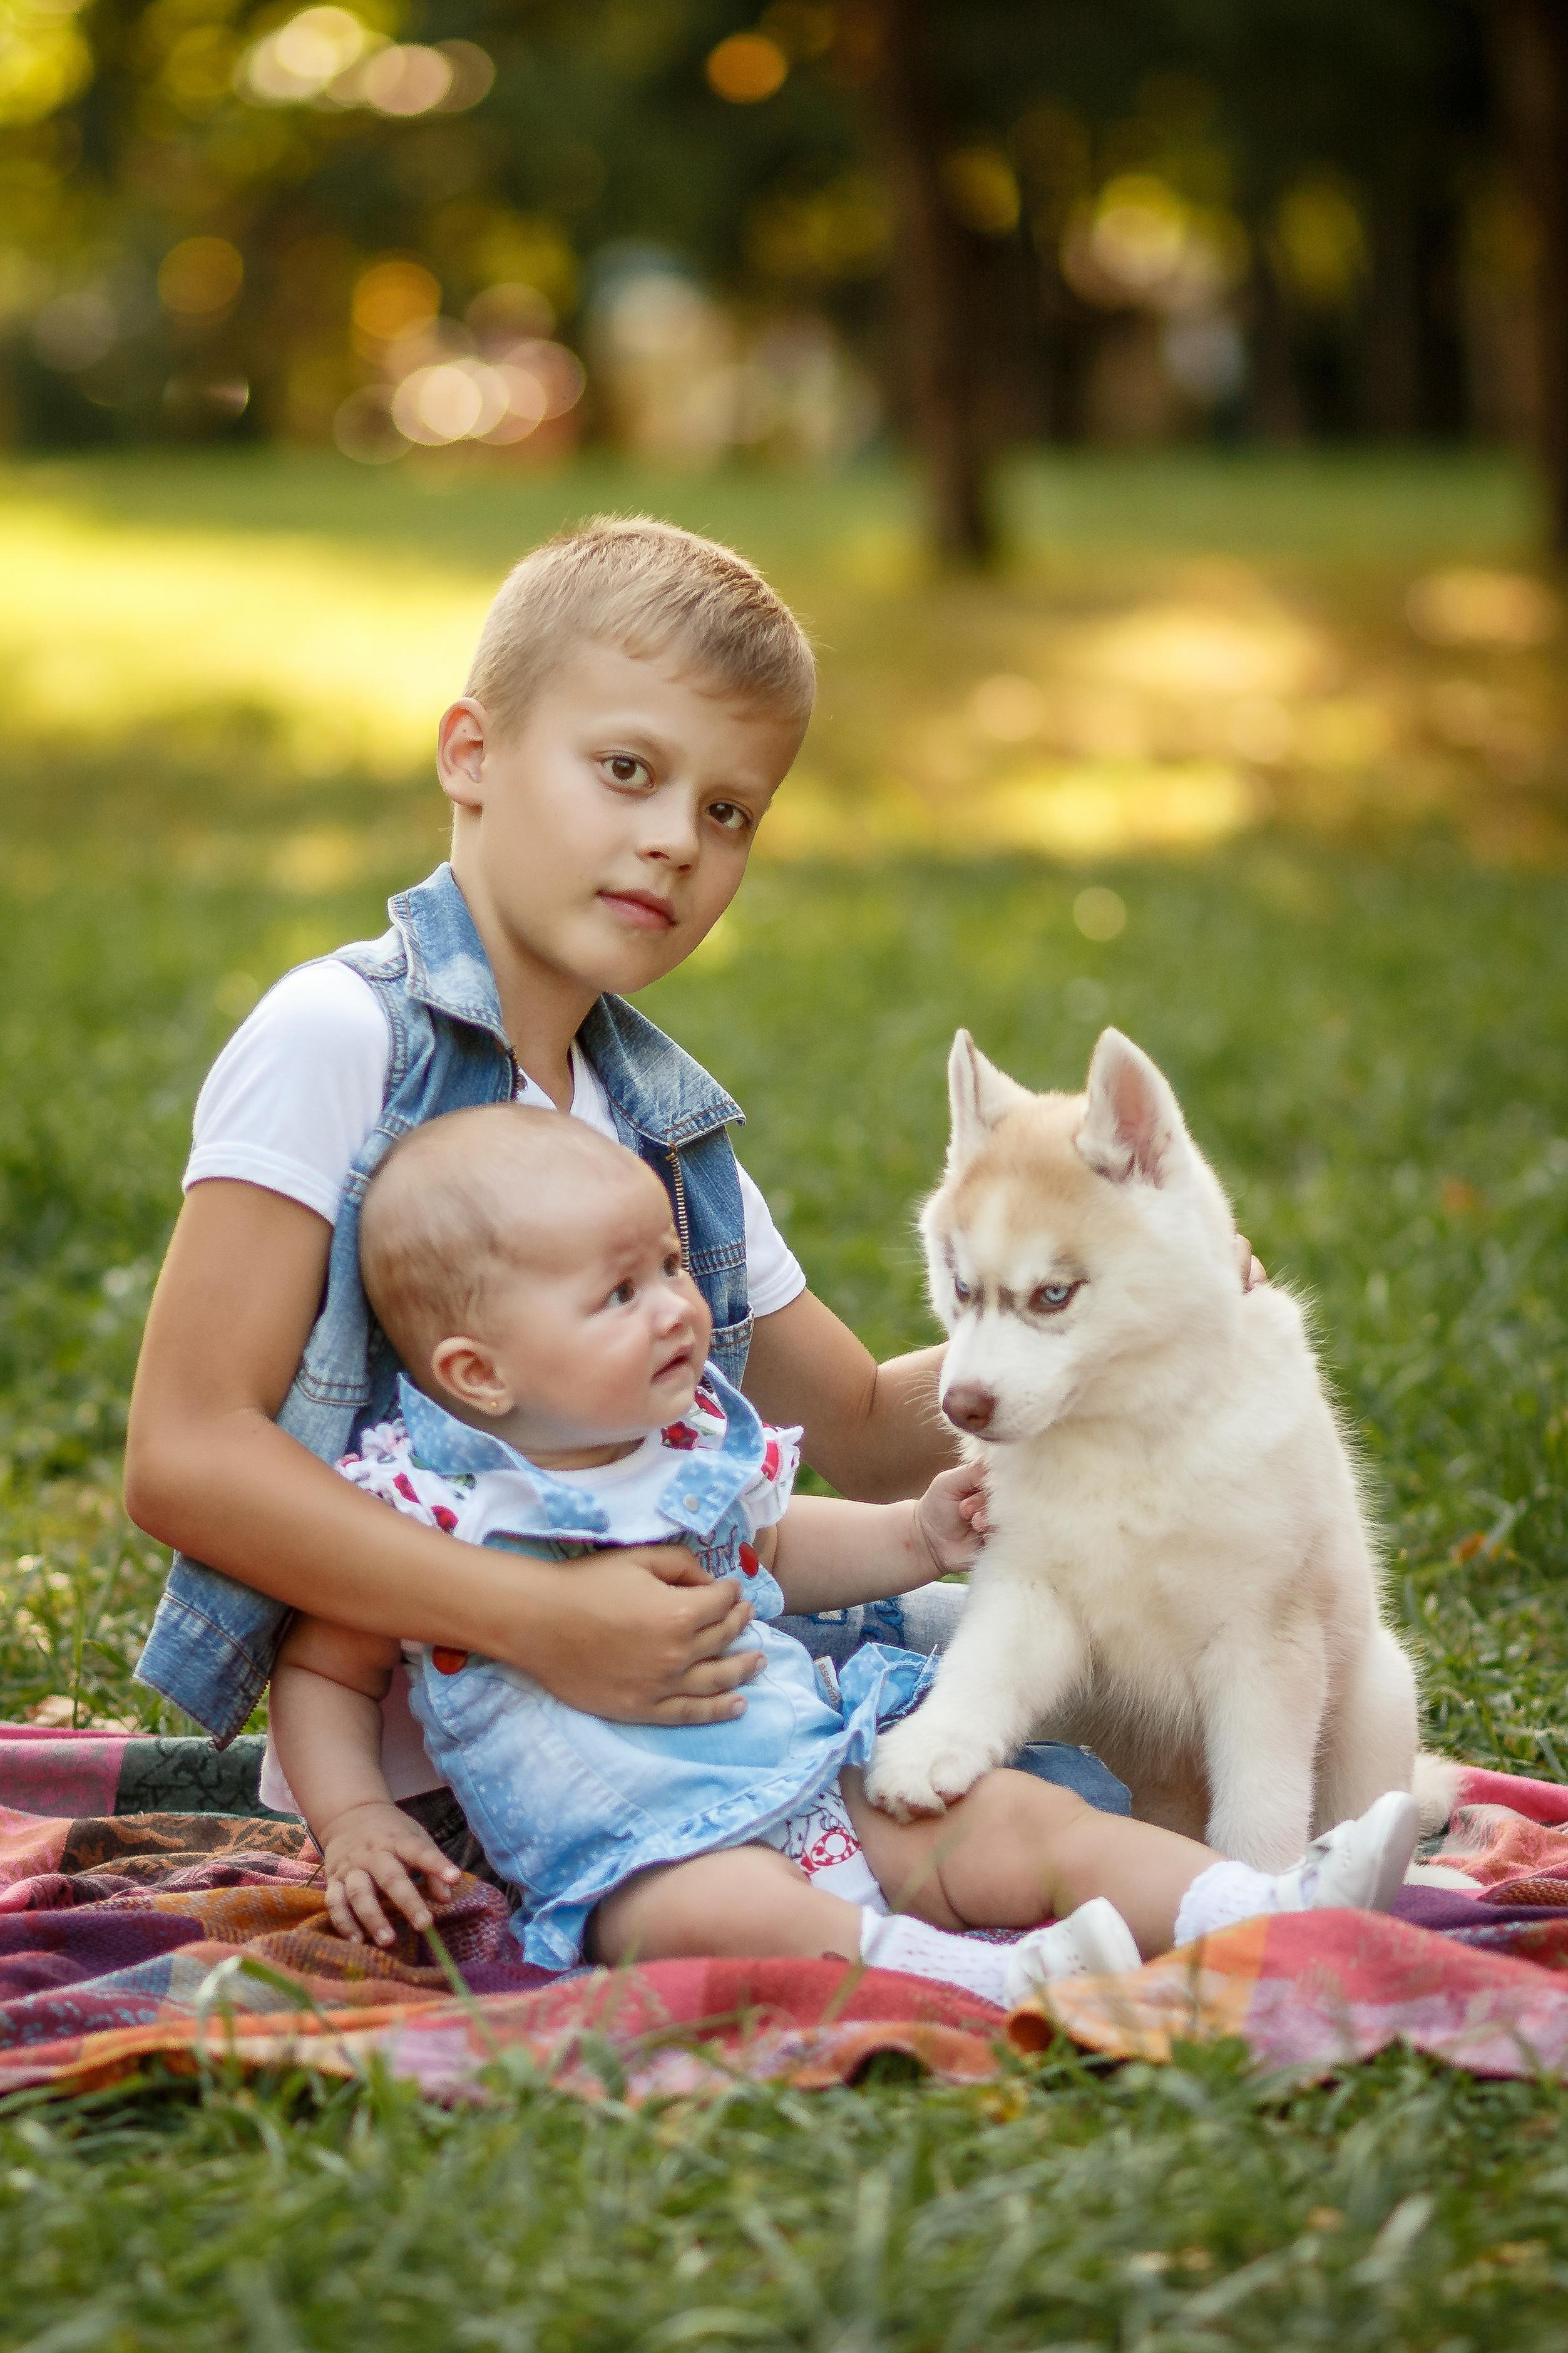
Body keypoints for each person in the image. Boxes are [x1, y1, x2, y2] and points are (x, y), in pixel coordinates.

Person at [124, 516, 1150, 1855]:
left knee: (1107, 1662)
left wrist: (1118, 1306)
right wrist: (540, 1617)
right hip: (463, 1763)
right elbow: (184, 1455)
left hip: (700, 1684)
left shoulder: (655, 1126)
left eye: (727, 811)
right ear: (470, 753)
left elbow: (858, 1422)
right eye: (626, 770)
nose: (675, 839)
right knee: (1014, 1755)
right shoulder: (342, 1039)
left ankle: (1260, 1894)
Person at [267, 1106, 1422, 2009]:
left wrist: (912, 1538)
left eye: (670, 1265)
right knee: (730, 1913)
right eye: (619, 1292)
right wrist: (355, 1815)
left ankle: (1255, 1900)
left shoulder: (687, 1445)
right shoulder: (428, 1502)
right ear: (480, 1375)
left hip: (819, 1767)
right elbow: (327, 1667)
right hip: (640, 1852)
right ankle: (979, 1976)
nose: (676, 1307)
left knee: (1018, 1820)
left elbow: (774, 1547)